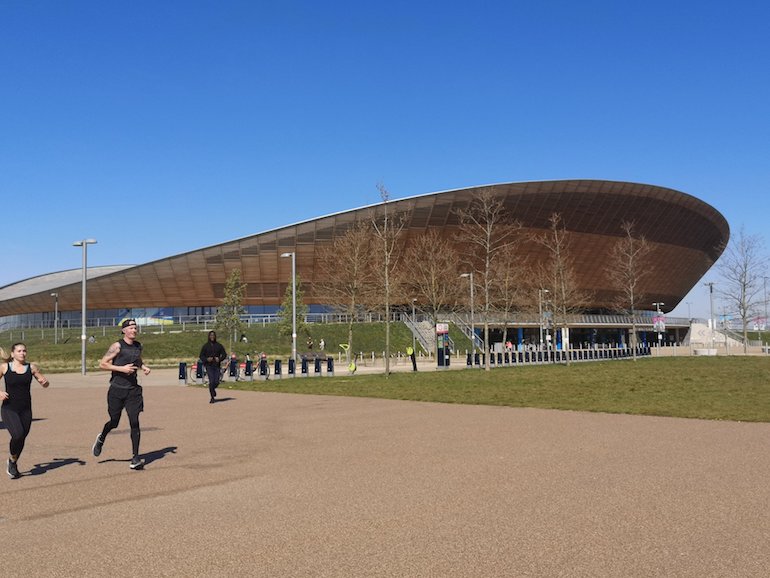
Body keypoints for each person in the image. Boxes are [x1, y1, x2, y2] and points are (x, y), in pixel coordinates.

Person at [92, 319, 151, 470]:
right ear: (124, 330)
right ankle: (102, 437)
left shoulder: (138, 346)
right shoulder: (117, 346)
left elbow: (137, 360)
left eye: (135, 328)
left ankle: (136, 458)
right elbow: (102, 364)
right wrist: (122, 369)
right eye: (131, 328)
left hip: (133, 390)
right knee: (114, 421)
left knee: (134, 421)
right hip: (117, 390)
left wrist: (143, 366)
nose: (134, 330)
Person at [1, 343, 50, 479]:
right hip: (9, 408)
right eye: (19, 351)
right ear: (13, 354)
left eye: (24, 351)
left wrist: (45, 383)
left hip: (26, 409)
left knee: (22, 437)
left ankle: (13, 462)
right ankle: (12, 460)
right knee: (17, 434)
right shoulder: (5, 367)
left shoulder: (31, 367)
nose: (22, 353)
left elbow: (44, 382)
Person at [199, 331, 227, 403]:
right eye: (211, 335)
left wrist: (220, 359)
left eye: (213, 335)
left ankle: (213, 389)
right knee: (211, 381)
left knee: (216, 381)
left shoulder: (219, 345)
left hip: (216, 366)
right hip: (209, 366)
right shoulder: (205, 346)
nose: (212, 337)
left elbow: (224, 354)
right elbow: (201, 356)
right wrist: (207, 359)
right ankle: (212, 397)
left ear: (215, 336)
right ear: (209, 336)